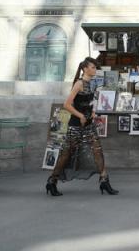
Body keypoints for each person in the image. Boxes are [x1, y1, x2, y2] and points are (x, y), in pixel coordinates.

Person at [45, 57, 118, 196]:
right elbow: (67, 105)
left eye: (95, 67)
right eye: (92, 67)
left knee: (98, 150)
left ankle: (104, 181)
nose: (94, 69)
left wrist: (93, 112)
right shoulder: (79, 83)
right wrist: (81, 116)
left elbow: (88, 103)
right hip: (75, 125)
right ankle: (52, 181)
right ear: (85, 69)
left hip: (89, 124)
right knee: (66, 154)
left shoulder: (91, 83)